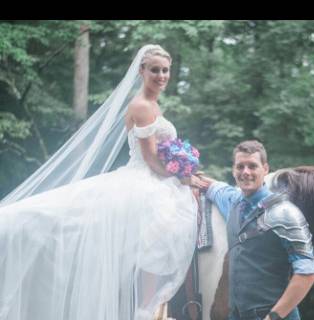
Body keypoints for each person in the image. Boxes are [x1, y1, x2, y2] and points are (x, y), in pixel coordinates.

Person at [0, 44, 204, 320]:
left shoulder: (154, 103)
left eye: (165, 70)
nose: (161, 75)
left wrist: (182, 166)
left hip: (156, 176)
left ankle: (148, 307)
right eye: (155, 70)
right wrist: (183, 175)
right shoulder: (141, 105)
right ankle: (144, 309)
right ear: (142, 71)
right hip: (144, 177)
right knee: (162, 225)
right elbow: (152, 159)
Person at [198, 140, 314, 320]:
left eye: (252, 166)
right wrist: (185, 174)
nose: (245, 172)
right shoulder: (233, 202)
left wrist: (273, 317)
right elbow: (213, 188)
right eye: (240, 166)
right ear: (233, 170)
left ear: (265, 169)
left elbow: (308, 273)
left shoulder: (285, 213)